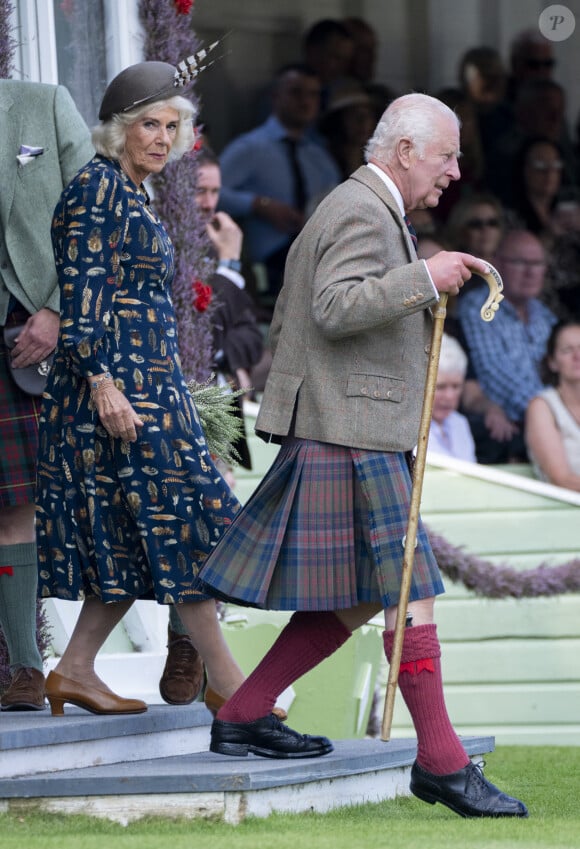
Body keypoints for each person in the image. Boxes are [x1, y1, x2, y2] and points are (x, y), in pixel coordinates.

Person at [196, 92, 528, 818]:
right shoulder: (358, 208)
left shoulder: (366, 207)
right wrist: (425, 277)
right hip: (352, 429)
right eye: (447, 155)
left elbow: (301, 312)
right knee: (414, 591)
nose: (455, 171)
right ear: (405, 150)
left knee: (356, 596)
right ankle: (441, 762)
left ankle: (244, 711)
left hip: (352, 426)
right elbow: (332, 307)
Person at [35, 60, 245, 717]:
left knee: (134, 537)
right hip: (118, 393)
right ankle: (227, 682)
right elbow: (83, 292)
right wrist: (101, 380)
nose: (160, 136)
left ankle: (72, 669)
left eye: (171, 125)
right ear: (119, 130)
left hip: (154, 389)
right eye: (147, 124)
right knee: (188, 521)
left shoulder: (135, 191)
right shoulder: (97, 189)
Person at [0, 79, 93, 711]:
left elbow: (93, 214)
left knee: (91, 496)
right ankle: (26, 669)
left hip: (37, 335)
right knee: (7, 511)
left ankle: (182, 643)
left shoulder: (41, 103)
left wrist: (59, 310)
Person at [159, 145, 264, 706]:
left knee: (218, 535)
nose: (207, 204)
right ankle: (193, 654)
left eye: (214, 192)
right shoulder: (168, 241)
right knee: (183, 530)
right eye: (198, 191)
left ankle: (198, 653)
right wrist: (228, 268)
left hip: (218, 414)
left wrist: (228, 279)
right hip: (169, 403)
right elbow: (199, 324)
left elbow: (251, 336)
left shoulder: (221, 251)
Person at [218, 63, 341, 303]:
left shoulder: (320, 158)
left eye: (313, 94)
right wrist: (258, 205)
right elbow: (209, 193)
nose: (305, 101)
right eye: (296, 92)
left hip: (318, 262)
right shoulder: (250, 147)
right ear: (276, 97)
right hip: (265, 270)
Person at [457, 229, 558, 464]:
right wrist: (554, 414)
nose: (531, 271)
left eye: (538, 263)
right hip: (511, 435)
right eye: (521, 262)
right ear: (498, 263)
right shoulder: (479, 306)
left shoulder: (545, 315)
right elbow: (494, 373)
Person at [525, 321, 580, 490]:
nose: (577, 356)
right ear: (552, 362)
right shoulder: (542, 407)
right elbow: (561, 479)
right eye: (567, 350)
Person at [428, 334, 476, 462]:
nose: (449, 396)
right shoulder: (409, 430)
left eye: (456, 386)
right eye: (440, 387)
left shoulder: (460, 423)